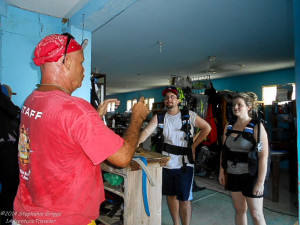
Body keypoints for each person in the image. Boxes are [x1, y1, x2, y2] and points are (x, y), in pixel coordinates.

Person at [12, 33, 149, 225]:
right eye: (81, 63)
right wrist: (137, 118)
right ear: (67, 61)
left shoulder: (32, 100)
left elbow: (56, 143)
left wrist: (93, 117)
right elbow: (123, 157)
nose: (84, 70)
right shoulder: (76, 109)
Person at [138, 86, 211, 225]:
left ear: (178, 100)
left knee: (184, 198)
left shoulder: (188, 115)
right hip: (167, 163)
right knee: (171, 196)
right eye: (166, 97)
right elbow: (146, 132)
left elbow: (207, 127)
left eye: (172, 96)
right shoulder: (159, 117)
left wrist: (193, 145)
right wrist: (134, 144)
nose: (169, 99)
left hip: (184, 164)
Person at [218, 92, 269, 225]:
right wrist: (221, 171)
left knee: (256, 214)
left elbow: (263, 156)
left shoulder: (257, 127)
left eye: (239, 105)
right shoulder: (229, 126)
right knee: (240, 210)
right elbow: (224, 151)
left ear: (248, 107)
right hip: (234, 175)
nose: (235, 107)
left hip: (251, 176)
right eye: (234, 104)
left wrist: (260, 182)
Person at [0, 84, 20, 225]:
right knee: (10, 187)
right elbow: (13, 112)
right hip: (5, 149)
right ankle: (7, 219)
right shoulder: (2, 96)